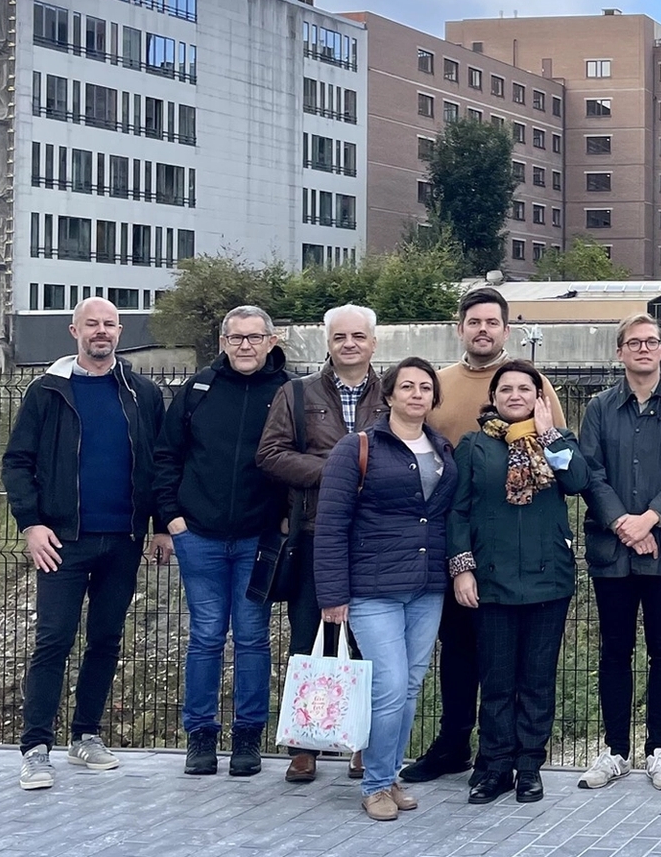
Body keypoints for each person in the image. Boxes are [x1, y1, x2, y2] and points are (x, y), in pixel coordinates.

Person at [405, 288, 566, 786]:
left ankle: (511, 759)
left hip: (524, 553)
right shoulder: (440, 384)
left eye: (491, 322)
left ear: (505, 329)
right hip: (454, 537)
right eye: (473, 321)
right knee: (458, 654)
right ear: (460, 328)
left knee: (519, 669)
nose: (482, 330)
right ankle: (455, 743)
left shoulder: (535, 386)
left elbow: (560, 461)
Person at [6, 297, 168, 791]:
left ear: (120, 332)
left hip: (123, 539)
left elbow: (161, 465)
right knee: (53, 641)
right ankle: (36, 748)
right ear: (74, 331)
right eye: (92, 324)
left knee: (105, 640)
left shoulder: (143, 393)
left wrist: (160, 526)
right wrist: (31, 524)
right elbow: (17, 462)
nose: (102, 331)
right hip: (62, 541)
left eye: (110, 324)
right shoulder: (47, 391)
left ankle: (86, 736)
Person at [313, 358, 459, 822]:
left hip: (427, 584)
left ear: (434, 398)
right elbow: (331, 524)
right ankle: (375, 784)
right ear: (389, 395)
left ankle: (390, 774)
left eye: (425, 387)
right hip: (373, 587)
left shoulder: (443, 449)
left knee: (411, 683)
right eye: (407, 386)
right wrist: (332, 594)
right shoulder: (356, 448)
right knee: (390, 685)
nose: (416, 394)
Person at [153, 305, 292, 777]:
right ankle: (201, 736)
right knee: (206, 637)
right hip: (199, 537)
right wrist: (170, 519)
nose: (245, 346)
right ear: (222, 342)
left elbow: (299, 460)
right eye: (236, 338)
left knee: (253, 638)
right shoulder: (198, 390)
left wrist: (285, 521)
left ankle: (249, 737)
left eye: (254, 337)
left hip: (258, 538)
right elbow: (166, 455)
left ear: (271, 342)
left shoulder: (287, 392)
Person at [448, 361, 592, 805]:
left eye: (525, 389)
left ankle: (529, 766)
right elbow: (458, 510)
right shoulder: (474, 445)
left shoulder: (558, 442)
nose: (515, 395)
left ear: (539, 397)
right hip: (491, 580)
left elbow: (578, 481)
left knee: (535, 679)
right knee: (496, 680)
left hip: (548, 579)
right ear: (493, 397)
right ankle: (494, 767)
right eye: (506, 388)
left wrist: (549, 435)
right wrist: (462, 567)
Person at [257, 303, 385, 784]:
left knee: (369, 641)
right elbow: (270, 454)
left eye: (358, 336)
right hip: (316, 532)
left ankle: (358, 741)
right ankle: (304, 743)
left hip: (376, 537)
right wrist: (336, 473)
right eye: (339, 337)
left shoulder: (391, 393)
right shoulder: (296, 393)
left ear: (373, 343)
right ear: (327, 342)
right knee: (310, 636)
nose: (349, 344)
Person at [576, 313, 661, 792]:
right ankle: (615, 751)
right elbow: (590, 471)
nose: (644, 349)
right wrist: (623, 524)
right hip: (613, 552)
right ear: (620, 352)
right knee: (614, 650)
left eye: (652, 342)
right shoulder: (599, 408)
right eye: (634, 342)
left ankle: (659, 750)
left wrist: (650, 519)